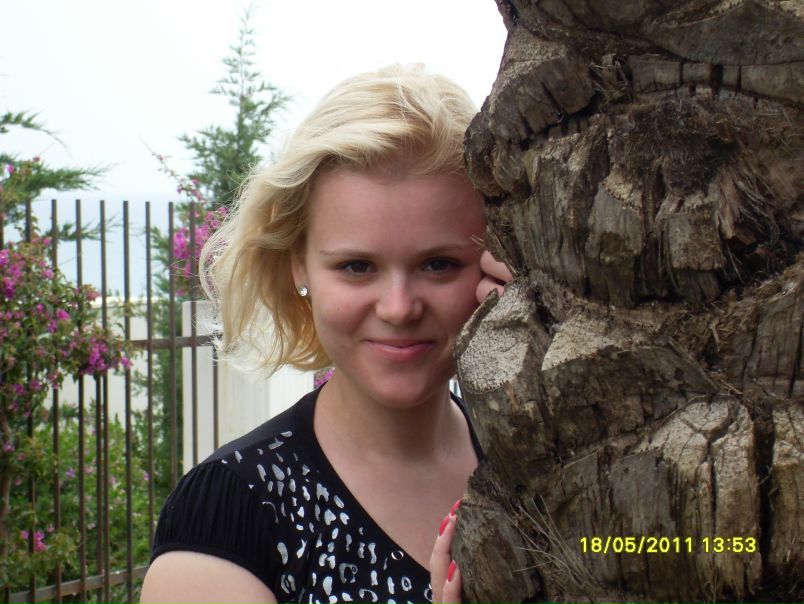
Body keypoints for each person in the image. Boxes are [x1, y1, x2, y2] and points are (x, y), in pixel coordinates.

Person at [140, 63, 512, 604]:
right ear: (299, 264)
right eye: (357, 267)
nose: (399, 308)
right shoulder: (233, 516)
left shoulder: (542, 456)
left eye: (439, 265)